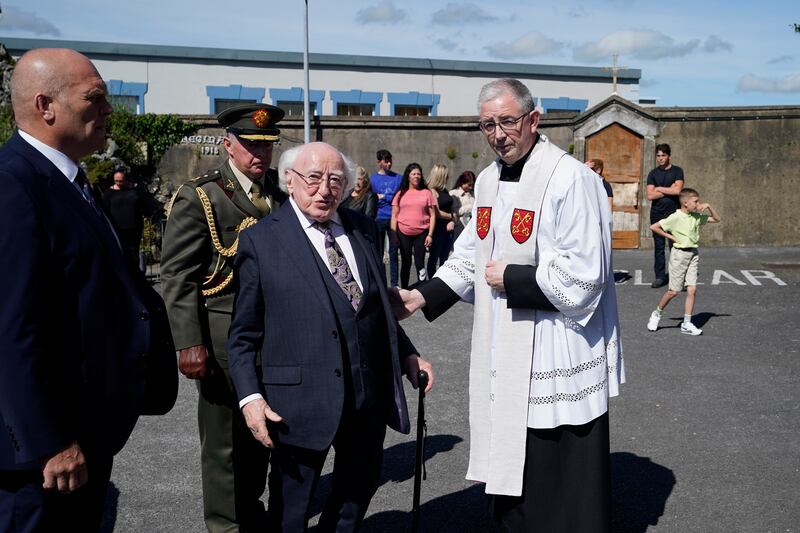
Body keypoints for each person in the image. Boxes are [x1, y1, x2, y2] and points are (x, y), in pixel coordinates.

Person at [395, 78, 624, 533]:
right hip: (506, 346)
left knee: (555, 473)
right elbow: (469, 254)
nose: (498, 133)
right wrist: (422, 295)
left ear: (533, 119)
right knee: (513, 479)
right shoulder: (488, 180)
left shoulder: (571, 179)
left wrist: (514, 277)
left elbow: (587, 276)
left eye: (507, 121)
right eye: (487, 125)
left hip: (557, 348)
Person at [0, 48, 175, 532]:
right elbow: (12, 329)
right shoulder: (14, 185)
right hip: (44, 462)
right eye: (94, 97)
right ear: (45, 106)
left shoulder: (70, 180)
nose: (109, 109)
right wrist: (48, 441)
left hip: (86, 436)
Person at [226, 142, 434, 532]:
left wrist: (408, 355)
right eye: (314, 178)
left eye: (335, 180)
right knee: (291, 509)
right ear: (289, 180)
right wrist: (250, 398)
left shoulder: (365, 230)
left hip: (366, 397)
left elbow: (375, 310)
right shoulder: (262, 241)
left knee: (354, 498)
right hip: (298, 404)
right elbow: (242, 336)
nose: (325, 189)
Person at [160, 103, 287, 532]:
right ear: (228, 144)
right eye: (251, 145)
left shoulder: (280, 195)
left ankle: (249, 512)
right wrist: (187, 342)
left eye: (267, 146)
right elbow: (177, 274)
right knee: (223, 442)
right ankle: (225, 525)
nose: (260, 155)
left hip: (271, 338)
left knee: (260, 435)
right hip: (220, 334)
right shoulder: (203, 196)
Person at [647, 188, 721, 335]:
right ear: (686, 203)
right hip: (679, 255)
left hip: (693, 254)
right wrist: (671, 237)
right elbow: (654, 226)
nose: (698, 204)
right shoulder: (675, 217)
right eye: (696, 201)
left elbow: (716, 219)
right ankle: (657, 313)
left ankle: (686, 323)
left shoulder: (696, 216)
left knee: (692, 289)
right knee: (673, 291)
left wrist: (709, 206)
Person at [102, 168, 159, 271]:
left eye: (121, 180)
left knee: (133, 254)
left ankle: (135, 278)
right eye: (116, 181)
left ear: (126, 179)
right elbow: (104, 211)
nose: (119, 183)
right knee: (119, 253)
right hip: (116, 229)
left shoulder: (135, 191)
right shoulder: (109, 193)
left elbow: (146, 206)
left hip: (134, 229)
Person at [390, 163, 436, 289]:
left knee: (420, 263)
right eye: (414, 174)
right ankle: (404, 289)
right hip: (403, 232)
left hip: (422, 233)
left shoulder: (427, 193)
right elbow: (394, 216)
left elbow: (432, 215)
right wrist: (394, 235)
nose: (417, 176)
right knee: (406, 262)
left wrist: (430, 235)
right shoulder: (400, 194)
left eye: (419, 174)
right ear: (408, 176)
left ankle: (422, 288)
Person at [646, 144, 684, 288]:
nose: (660, 158)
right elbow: (650, 195)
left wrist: (660, 188)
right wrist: (670, 189)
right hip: (657, 213)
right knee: (659, 247)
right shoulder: (653, 174)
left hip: (674, 213)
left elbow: (678, 191)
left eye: (663, 155)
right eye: (658, 156)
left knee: (675, 246)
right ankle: (660, 277)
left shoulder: (677, 171)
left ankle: (678, 278)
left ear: (669, 156)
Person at [370, 149, 402, 286]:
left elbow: (397, 197)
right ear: (379, 162)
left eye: (390, 161)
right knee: (378, 252)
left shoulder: (398, 178)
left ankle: (394, 283)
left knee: (394, 253)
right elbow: (372, 199)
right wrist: (385, 198)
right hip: (378, 218)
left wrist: (384, 197)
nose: (389, 164)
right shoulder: (372, 179)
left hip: (394, 218)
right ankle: (380, 282)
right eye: (386, 161)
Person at [426, 163, 456, 277]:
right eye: (446, 175)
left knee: (444, 257)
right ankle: (432, 281)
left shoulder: (444, 190)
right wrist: (451, 217)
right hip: (437, 228)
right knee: (434, 257)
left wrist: (452, 220)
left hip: (448, 229)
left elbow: (449, 208)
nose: (448, 178)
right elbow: (436, 213)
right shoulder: (432, 191)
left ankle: (441, 280)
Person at [449, 170, 475, 242]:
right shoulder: (454, 194)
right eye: (469, 185)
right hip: (459, 228)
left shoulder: (473, 194)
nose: (470, 187)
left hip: (471, 228)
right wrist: (470, 207)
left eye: (472, 185)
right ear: (462, 182)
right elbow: (455, 212)